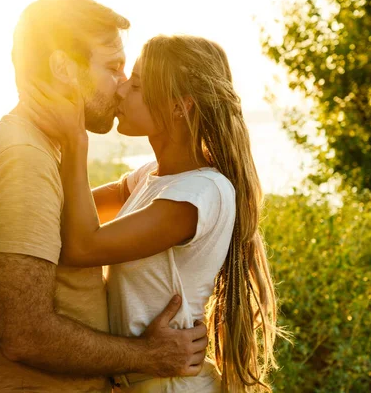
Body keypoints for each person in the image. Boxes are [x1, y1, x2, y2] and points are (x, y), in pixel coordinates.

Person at [0, 0, 208, 392]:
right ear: (63, 69)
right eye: (113, 68)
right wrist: (149, 355)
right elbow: (25, 334)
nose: (123, 84)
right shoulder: (23, 159)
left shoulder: (42, 149)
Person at [23, 35, 282, 392]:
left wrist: (75, 141)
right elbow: (64, 207)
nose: (120, 90)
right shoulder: (152, 177)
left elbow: (81, 246)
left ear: (179, 106)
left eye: (138, 85)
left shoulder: (199, 194)